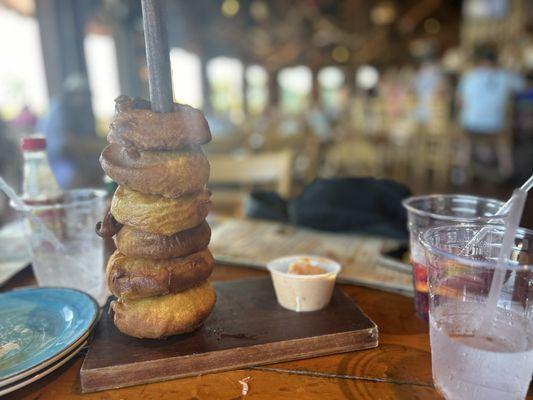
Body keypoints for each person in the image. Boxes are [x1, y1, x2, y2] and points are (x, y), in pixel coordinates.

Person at [457, 44, 525, 179]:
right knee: (502, 141)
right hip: (496, 124)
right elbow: (522, 85)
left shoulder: (470, 76)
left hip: (471, 123)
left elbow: (460, 102)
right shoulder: (504, 75)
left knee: (464, 140)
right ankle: (506, 168)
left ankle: (462, 169)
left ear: (479, 60)